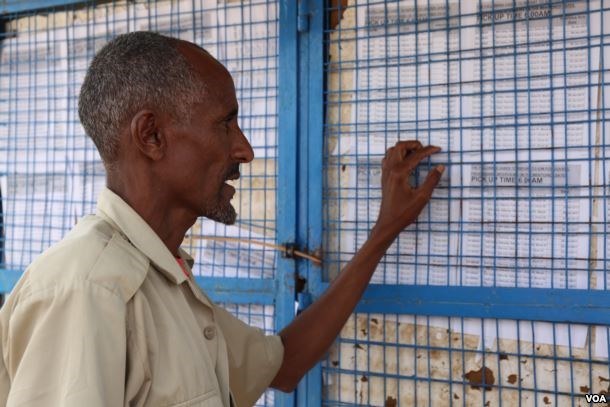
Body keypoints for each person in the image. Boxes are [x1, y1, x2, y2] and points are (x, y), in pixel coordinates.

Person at [0, 32, 444, 407]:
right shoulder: (89, 290)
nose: (245, 150)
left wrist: (384, 232)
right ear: (151, 136)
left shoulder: (164, 279)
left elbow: (283, 364)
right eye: (225, 124)